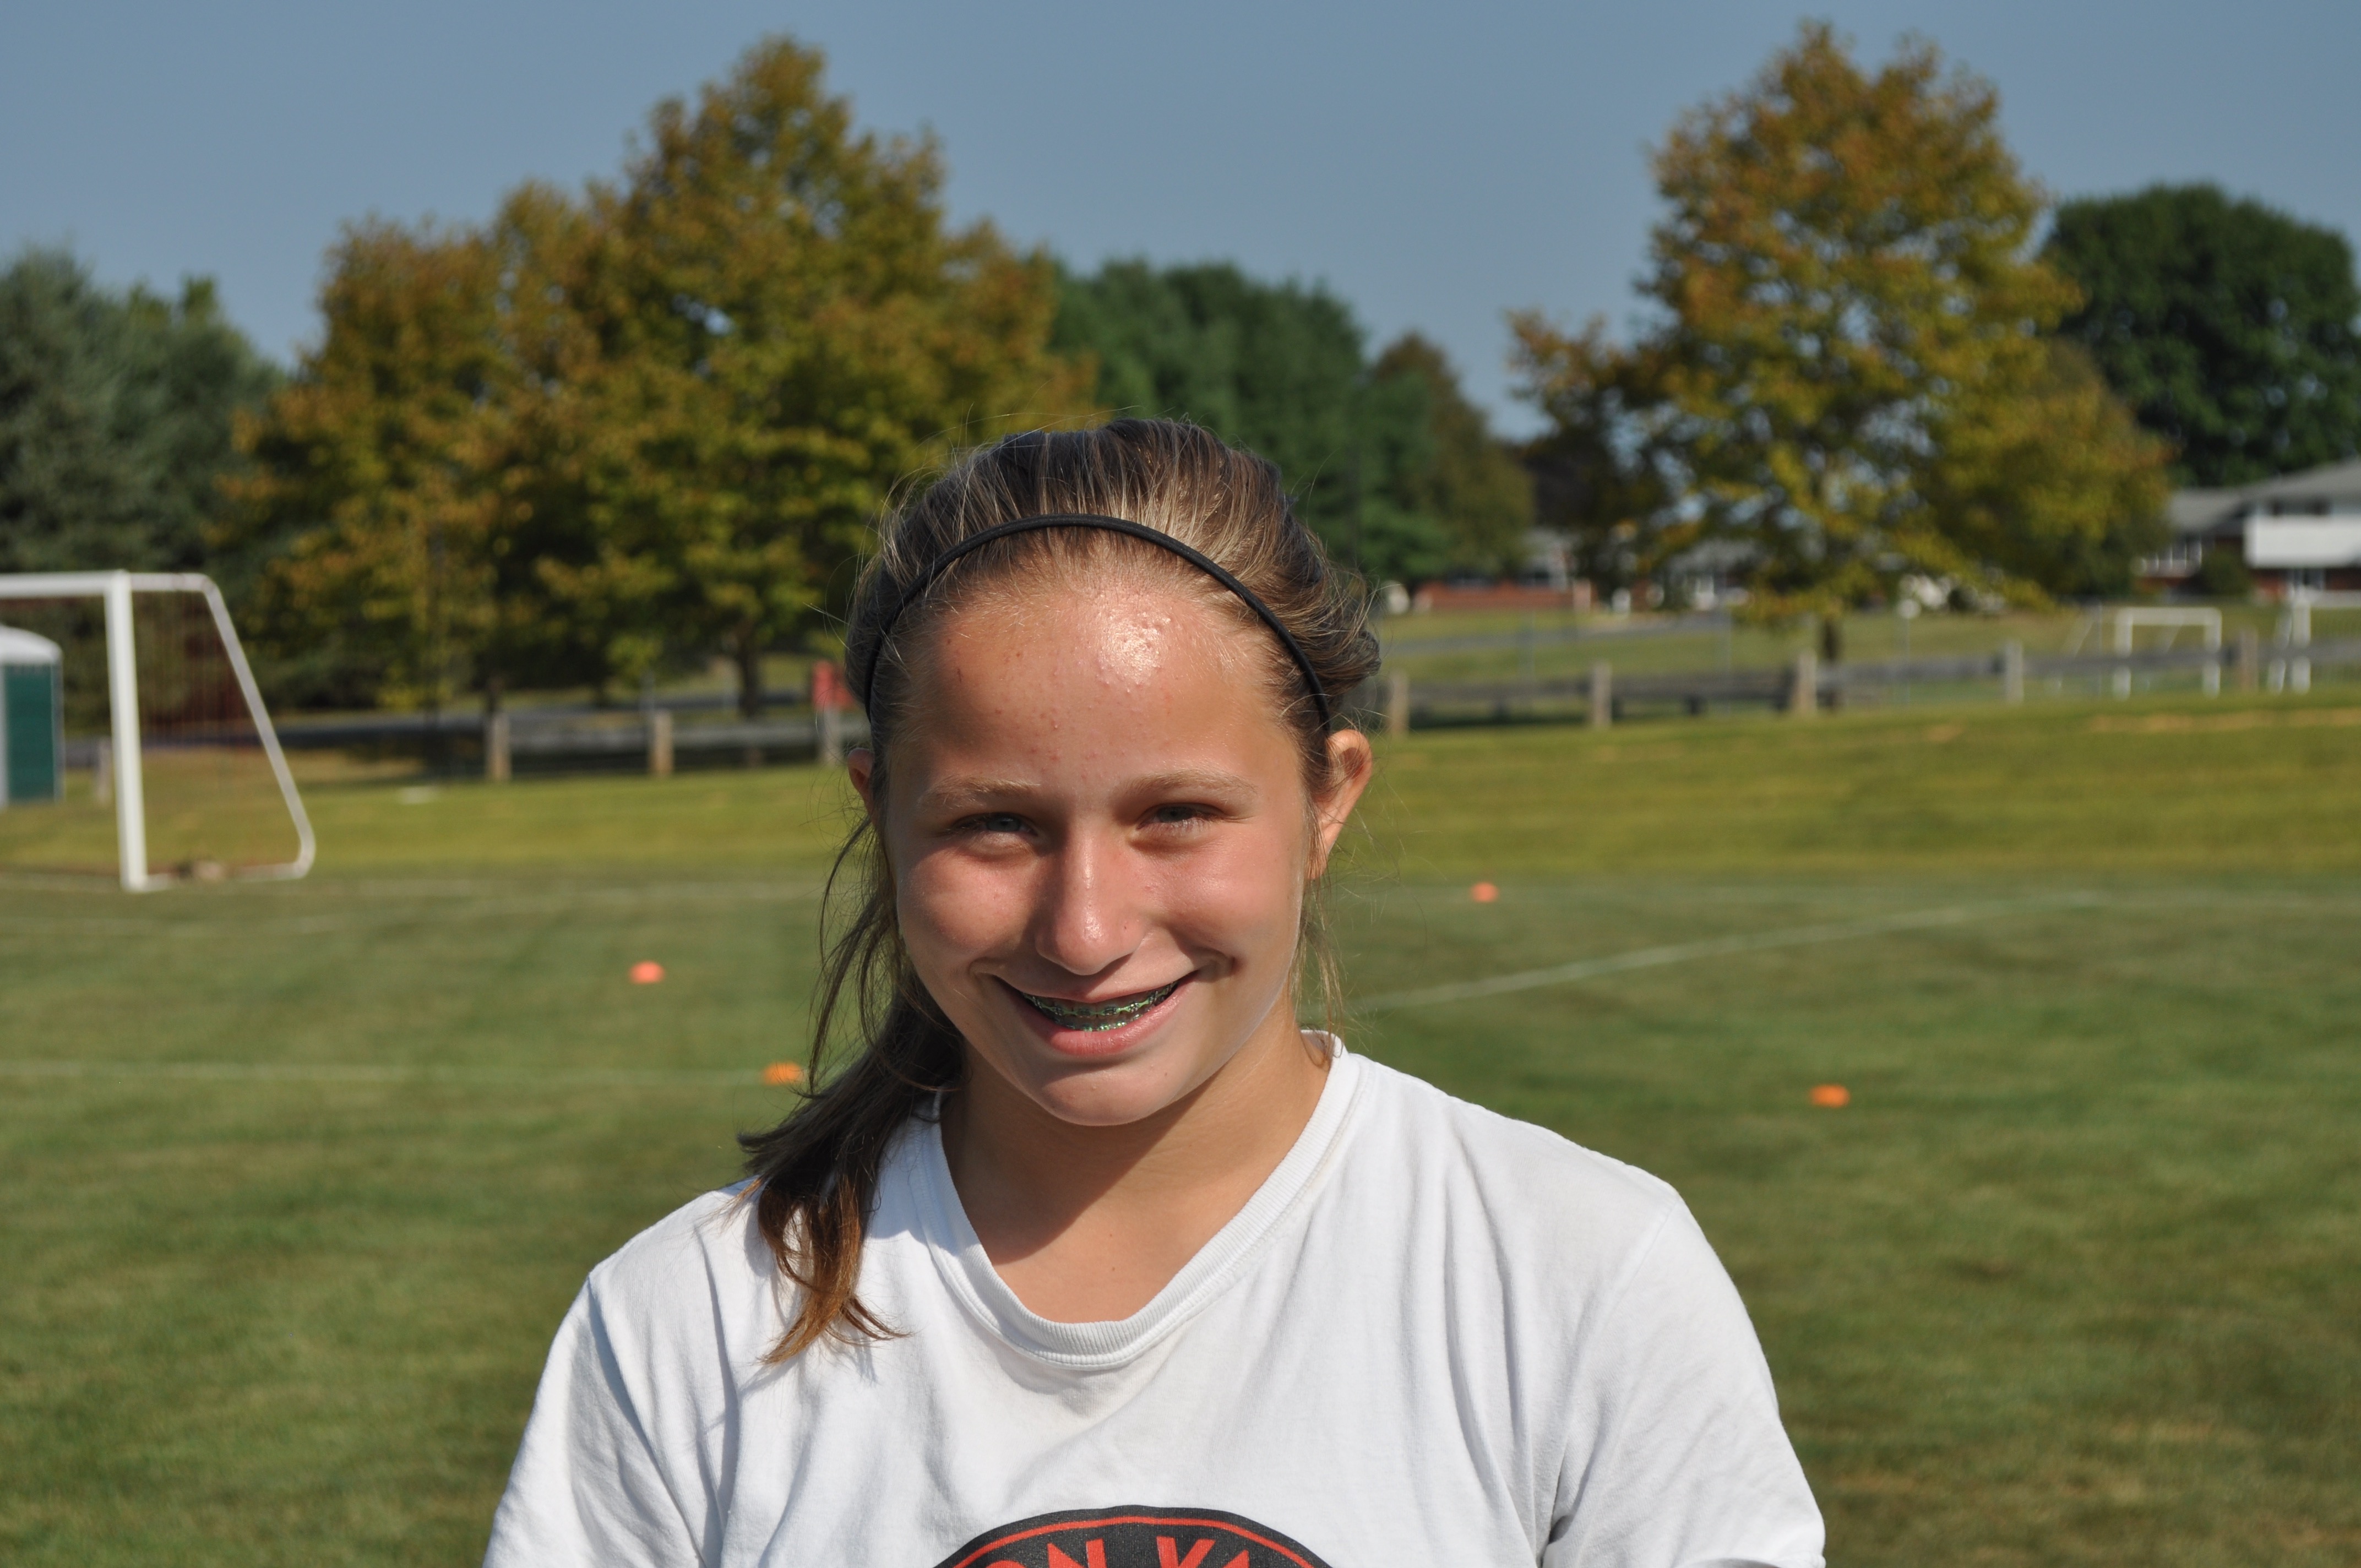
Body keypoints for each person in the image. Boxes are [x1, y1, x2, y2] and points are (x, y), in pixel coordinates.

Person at [483, 420, 1824, 1568]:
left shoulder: (1581, 1275)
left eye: (1176, 813)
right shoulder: (689, 1322)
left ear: (1325, 799)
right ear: (880, 815)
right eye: (995, 823)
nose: (1083, 926)